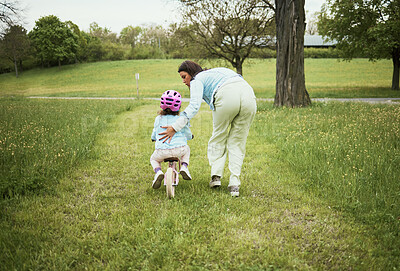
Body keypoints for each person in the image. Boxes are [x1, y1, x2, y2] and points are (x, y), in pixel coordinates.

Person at [159, 60, 257, 197]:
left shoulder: (197, 79)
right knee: (238, 141)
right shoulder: (216, 72)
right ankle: (234, 184)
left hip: (227, 95)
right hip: (249, 95)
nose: (184, 81)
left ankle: (216, 177)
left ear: (191, 73)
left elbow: (193, 106)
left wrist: (175, 127)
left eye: (184, 77)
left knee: (219, 136)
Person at [150, 90, 193, 189]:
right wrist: (190, 137)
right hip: (179, 150)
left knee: (153, 159)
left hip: (161, 152)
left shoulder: (158, 119)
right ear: (179, 106)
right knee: (187, 149)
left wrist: (153, 138)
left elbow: (155, 132)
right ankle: (184, 167)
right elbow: (187, 133)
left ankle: (158, 172)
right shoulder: (181, 119)